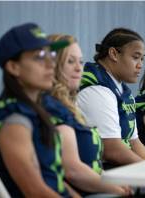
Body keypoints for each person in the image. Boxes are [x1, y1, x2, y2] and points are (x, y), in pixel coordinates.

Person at [0, 23, 74, 197]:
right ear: (14, 67)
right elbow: (35, 192)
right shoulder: (13, 121)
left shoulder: (38, 108)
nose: (50, 64)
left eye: (51, 55)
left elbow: (54, 180)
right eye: (39, 56)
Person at [45, 34, 130, 196]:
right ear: (51, 65)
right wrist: (115, 188)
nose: (79, 68)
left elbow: (92, 166)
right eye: (70, 61)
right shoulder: (50, 108)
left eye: (81, 61)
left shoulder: (67, 105)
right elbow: (73, 171)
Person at [77, 28, 145, 169]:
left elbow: (134, 142)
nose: (140, 65)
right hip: (101, 173)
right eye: (135, 57)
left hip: (121, 169)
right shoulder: (97, 90)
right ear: (113, 54)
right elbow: (112, 149)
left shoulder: (122, 90)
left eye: (142, 59)